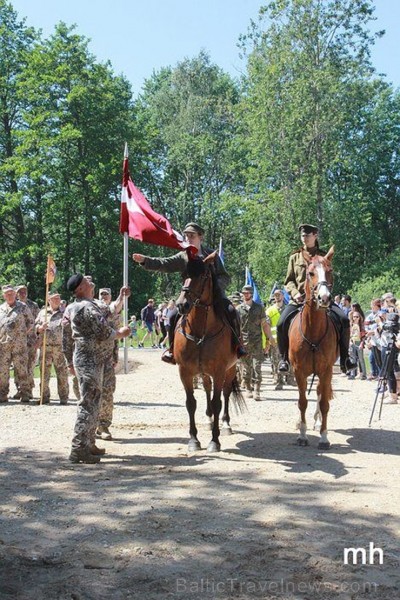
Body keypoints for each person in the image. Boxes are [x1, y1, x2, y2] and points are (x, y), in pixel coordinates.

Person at [132, 222, 244, 363]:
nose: (188, 238)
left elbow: (225, 276)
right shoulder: (183, 256)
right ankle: (172, 350)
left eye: (192, 236)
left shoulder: (211, 255)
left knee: (232, 311)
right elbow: (164, 263)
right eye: (186, 236)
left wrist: (216, 288)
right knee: (172, 316)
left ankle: (238, 345)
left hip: (213, 295)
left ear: (200, 237)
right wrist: (145, 260)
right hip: (189, 295)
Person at [62, 274, 130, 464]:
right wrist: (120, 334)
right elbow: (102, 331)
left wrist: (120, 297)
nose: (89, 282)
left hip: (94, 360)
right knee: (88, 403)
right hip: (89, 360)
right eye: (85, 281)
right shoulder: (85, 307)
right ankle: (78, 449)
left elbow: (109, 311)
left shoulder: (86, 305)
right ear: (80, 289)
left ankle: (88, 442)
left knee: (95, 402)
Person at [277, 224, 355, 374]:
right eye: (302, 236)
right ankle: (284, 359)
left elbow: (329, 277)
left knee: (344, 320)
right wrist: (294, 293)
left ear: (315, 236)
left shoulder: (323, 256)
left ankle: (346, 359)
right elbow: (289, 280)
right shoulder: (295, 257)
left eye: (307, 235)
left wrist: (326, 291)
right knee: (281, 323)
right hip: (299, 299)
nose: (304, 238)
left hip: (322, 297)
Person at [95, 285, 131, 441]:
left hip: (108, 356)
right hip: (91, 357)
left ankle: (103, 425)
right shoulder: (93, 308)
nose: (103, 296)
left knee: (107, 391)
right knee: (90, 392)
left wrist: (122, 296)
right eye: (101, 294)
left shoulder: (112, 310)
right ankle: (91, 424)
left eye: (106, 294)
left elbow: (115, 308)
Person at [236, 285, 272, 401]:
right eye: (244, 293)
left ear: (251, 294)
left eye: (248, 293)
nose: (245, 294)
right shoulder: (238, 309)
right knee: (246, 368)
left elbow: (264, 325)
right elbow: (236, 328)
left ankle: (257, 390)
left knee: (257, 367)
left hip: (257, 342)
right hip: (243, 343)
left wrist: (268, 340)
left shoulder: (259, 308)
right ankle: (248, 388)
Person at [0, 284, 34, 403]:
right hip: (4, 346)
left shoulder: (22, 307)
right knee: (3, 371)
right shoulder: (1, 308)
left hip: (19, 345)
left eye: (11, 293)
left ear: (15, 294)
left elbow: (31, 322)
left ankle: (24, 393)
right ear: (4, 295)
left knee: (21, 370)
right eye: (7, 294)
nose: (9, 295)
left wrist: (23, 333)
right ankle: (3, 394)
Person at [35, 291, 69, 404]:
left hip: (60, 348)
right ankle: (44, 397)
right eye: (54, 298)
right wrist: (40, 327)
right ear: (49, 300)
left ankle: (64, 397)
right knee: (44, 374)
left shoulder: (65, 312)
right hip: (46, 348)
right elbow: (35, 327)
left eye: (58, 298)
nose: (57, 300)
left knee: (62, 374)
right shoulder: (43, 313)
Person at [15, 284, 39, 399]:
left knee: (29, 366)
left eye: (25, 291)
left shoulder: (33, 305)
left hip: (31, 341)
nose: (23, 293)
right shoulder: (12, 306)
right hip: (16, 342)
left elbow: (38, 322)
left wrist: (39, 339)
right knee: (18, 366)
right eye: (20, 292)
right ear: (16, 294)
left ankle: (28, 389)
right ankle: (19, 389)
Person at [265, 289, 285, 390]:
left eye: (279, 295)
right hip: (275, 341)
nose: (277, 297)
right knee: (276, 361)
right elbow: (266, 326)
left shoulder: (288, 309)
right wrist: (268, 340)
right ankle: (279, 381)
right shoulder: (269, 310)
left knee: (287, 360)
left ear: (283, 296)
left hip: (287, 341)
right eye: (275, 295)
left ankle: (290, 378)